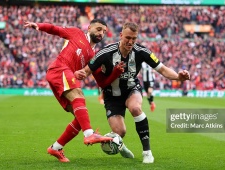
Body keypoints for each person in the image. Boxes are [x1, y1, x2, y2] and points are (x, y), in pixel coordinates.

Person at [75, 22, 190, 163]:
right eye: (127, 38)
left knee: (136, 108)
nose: (130, 42)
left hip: (131, 89)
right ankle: (120, 145)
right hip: (111, 95)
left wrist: (178, 76)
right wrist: (80, 73)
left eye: (134, 38)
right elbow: (87, 70)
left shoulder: (142, 52)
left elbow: (163, 69)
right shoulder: (106, 52)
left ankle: (147, 152)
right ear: (121, 35)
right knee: (120, 132)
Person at [23, 19, 117, 163]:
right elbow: (56, 29)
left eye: (104, 31)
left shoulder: (93, 56)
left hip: (64, 77)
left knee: (80, 119)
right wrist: (39, 26)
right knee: (79, 96)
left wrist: (116, 72)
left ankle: (56, 147)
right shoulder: (76, 33)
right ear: (90, 27)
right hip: (59, 68)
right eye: (98, 29)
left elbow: (102, 81)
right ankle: (90, 134)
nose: (101, 33)